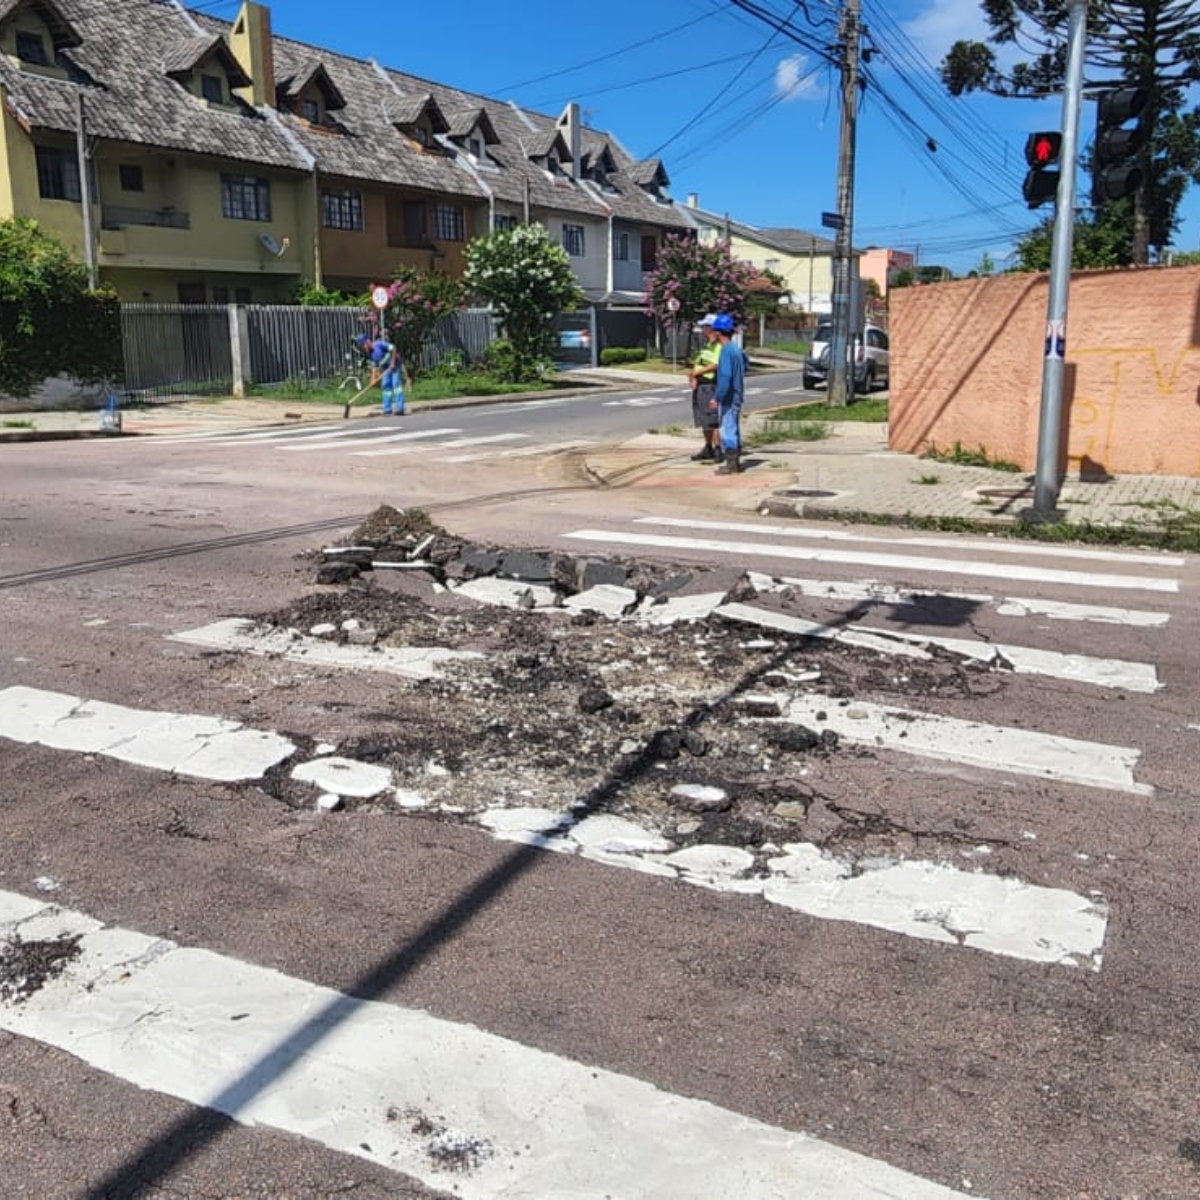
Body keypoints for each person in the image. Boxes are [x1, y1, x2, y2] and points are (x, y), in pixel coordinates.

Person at [711, 313, 747, 475]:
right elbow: (746, 364)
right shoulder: (736, 349)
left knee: (728, 428)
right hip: (737, 394)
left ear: (718, 332)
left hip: (729, 397)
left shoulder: (726, 351)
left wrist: (717, 397)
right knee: (734, 427)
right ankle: (736, 463)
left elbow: (725, 377)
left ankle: (731, 464)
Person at [687, 314, 724, 462]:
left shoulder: (719, 346)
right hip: (701, 385)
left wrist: (697, 373)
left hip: (710, 386)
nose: (703, 330)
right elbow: (701, 362)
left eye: (706, 327)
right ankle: (708, 447)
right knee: (704, 419)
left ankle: (718, 449)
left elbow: (715, 365)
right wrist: (693, 376)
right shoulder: (707, 345)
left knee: (712, 419)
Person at [355, 332, 404, 415]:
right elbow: (374, 367)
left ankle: (400, 408)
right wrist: (372, 380)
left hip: (395, 366)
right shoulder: (370, 354)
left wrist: (392, 362)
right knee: (386, 386)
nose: (364, 348)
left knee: (396, 385)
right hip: (386, 369)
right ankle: (387, 409)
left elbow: (393, 348)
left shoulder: (379, 344)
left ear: (367, 342)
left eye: (364, 346)